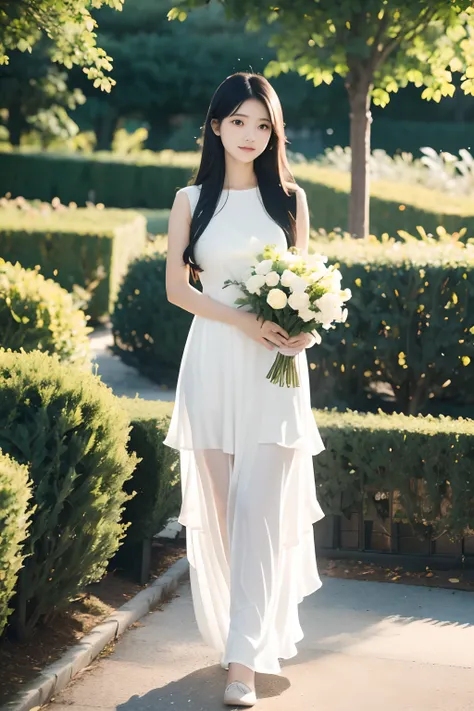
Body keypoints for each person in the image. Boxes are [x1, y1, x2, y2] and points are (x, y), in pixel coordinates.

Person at [164, 72, 325, 707]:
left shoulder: (290, 200)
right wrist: (245, 321)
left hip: (273, 375)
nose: (251, 135)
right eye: (239, 122)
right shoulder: (190, 199)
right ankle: (246, 636)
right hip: (211, 365)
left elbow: (305, 285)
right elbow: (179, 291)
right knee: (231, 519)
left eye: (263, 124)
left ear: (273, 132)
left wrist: (302, 332)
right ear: (216, 126)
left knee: (260, 513)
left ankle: (243, 667)